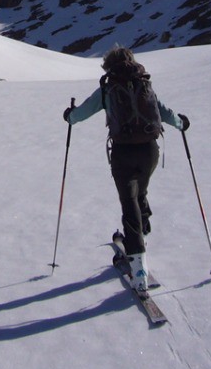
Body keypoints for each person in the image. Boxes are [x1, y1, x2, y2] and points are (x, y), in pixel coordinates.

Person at [63, 45, 189, 291]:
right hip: (150, 150)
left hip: (123, 152)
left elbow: (81, 114)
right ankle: (142, 233)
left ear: (109, 66)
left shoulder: (108, 87)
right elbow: (162, 112)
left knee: (128, 201)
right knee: (140, 193)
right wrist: (181, 123)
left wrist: (69, 116)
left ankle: (138, 264)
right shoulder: (144, 83)